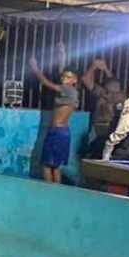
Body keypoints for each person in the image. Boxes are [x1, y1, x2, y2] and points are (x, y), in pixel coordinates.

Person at [29, 54, 79, 183]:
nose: (64, 79)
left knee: (46, 165)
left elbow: (46, 83)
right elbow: (61, 73)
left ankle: (48, 192)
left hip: (57, 132)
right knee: (55, 167)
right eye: (64, 76)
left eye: (68, 77)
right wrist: (62, 55)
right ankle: (56, 192)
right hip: (61, 131)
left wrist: (35, 68)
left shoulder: (68, 90)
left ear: (75, 80)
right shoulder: (71, 91)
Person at [82, 58, 125, 159]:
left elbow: (86, 80)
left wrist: (97, 67)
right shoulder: (104, 92)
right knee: (96, 153)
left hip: (111, 127)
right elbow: (86, 79)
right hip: (101, 127)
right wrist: (100, 68)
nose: (114, 90)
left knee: (102, 154)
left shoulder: (119, 95)